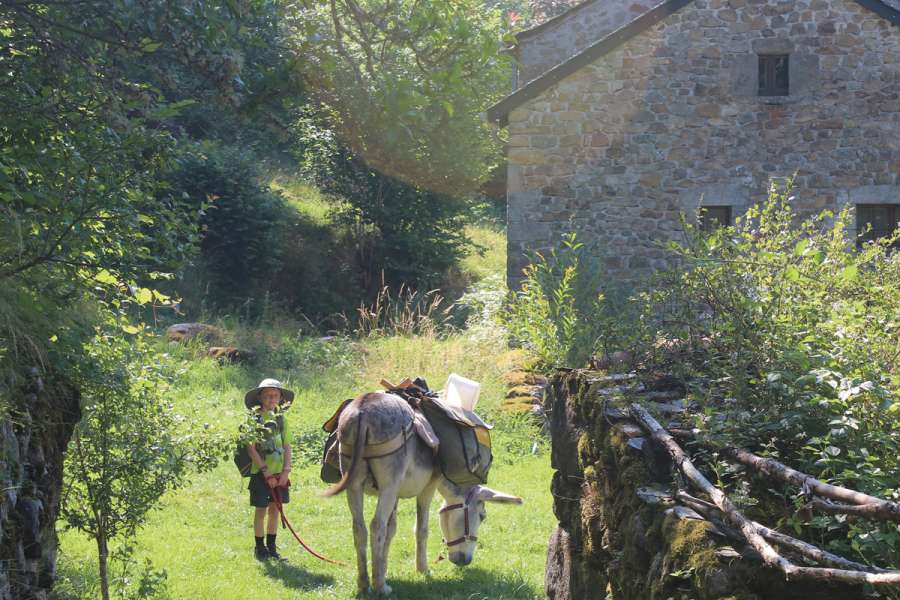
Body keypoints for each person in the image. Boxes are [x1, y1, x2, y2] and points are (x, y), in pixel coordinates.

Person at [244, 378, 294, 561]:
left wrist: (286, 472)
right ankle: (260, 548)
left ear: (280, 398)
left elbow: (287, 446)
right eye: (268, 395)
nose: (272, 398)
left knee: (275, 510)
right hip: (261, 474)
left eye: (276, 395)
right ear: (260, 397)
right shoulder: (254, 420)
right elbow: (251, 449)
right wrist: (265, 472)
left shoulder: (281, 419)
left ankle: (272, 548)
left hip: (280, 474)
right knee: (261, 510)